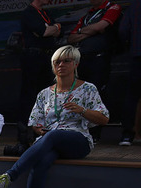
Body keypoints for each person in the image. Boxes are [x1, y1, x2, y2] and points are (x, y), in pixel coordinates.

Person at [0, 45, 108, 188]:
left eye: (66, 60)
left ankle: (10, 175)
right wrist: (39, 130)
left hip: (78, 140)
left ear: (75, 64)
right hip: (50, 141)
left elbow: (104, 118)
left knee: (53, 136)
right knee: (43, 159)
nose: (61, 65)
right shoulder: (45, 94)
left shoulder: (87, 89)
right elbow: (35, 123)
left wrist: (82, 110)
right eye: (57, 61)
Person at [67, 0, 121, 142]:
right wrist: (89, 31)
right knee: (80, 93)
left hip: (100, 58)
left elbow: (101, 26)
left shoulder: (112, 7)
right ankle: (80, 130)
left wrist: (86, 30)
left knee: (96, 94)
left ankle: (95, 133)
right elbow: (71, 37)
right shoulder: (87, 15)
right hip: (83, 59)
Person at [16, 0, 61, 152]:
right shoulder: (29, 12)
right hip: (32, 56)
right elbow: (44, 32)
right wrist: (50, 29)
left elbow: (56, 30)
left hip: (47, 57)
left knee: (46, 95)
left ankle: (42, 131)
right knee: (29, 95)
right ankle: (23, 133)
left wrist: (53, 28)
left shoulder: (46, 13)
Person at [119, 0, 141, 146]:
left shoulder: (135, 6)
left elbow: (123, 30)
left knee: (132, 96)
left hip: (137, 55)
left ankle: (127, 135)